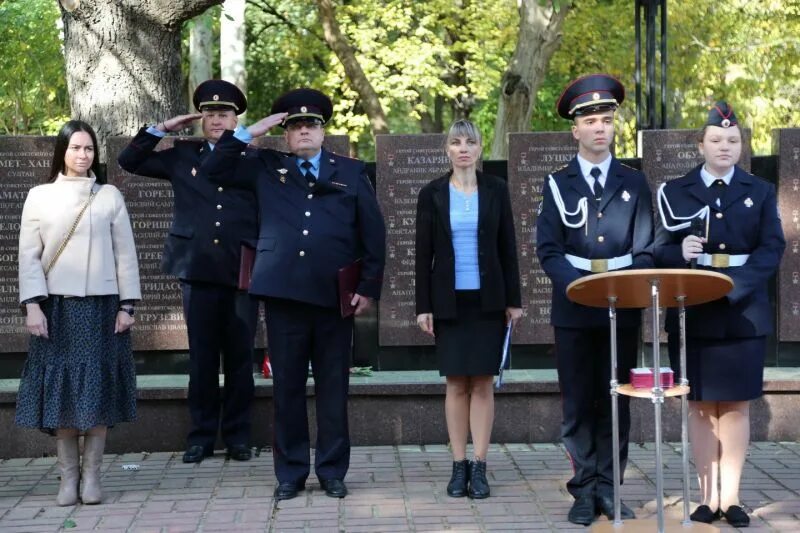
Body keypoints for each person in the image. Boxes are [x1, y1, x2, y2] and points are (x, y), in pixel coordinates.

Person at [204, 88, 386, 500]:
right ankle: (290, 472)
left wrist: (368, 287)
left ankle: (332, 470)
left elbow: (373, 235)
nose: (303, 131)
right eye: (295, 126)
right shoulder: (266, 166)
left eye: (311, 125)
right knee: (286, 388)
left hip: (333, 297)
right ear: (285, 135)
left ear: (323, 132)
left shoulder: (351, 172)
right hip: (283, 295)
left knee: (333, 388)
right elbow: (215, 168)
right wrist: (252, 130)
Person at [654, 102, 785, 527]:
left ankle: (731, 499)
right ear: (701, 144)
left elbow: (771, 249)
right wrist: (679, 251)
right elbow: (656, 248)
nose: (724, 147)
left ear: (741, 145)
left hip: (743, 309)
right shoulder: (675, 191)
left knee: (735, 407)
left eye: (732, 140)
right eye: (716, 140)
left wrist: (736, 286)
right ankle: (706, 497)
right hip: (692, 309)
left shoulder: (759, 190)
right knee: (699, 405)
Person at [117, 80, 259, 464]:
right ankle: (200, 438)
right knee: (202, 360)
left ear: (235, 119)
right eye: (210, 114)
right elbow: (129, 162)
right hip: (196, 270)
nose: (216, 120)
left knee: (241, 360)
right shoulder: (182, 156)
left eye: (224, 114)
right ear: (200, 119)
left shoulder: (253, 157)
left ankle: (238, 436)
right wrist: (163, 128)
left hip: (240, 272)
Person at [536, 74, 654, 525]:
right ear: (576, 130)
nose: (600, 128)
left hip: (620, 308)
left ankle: (610, 487)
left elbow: (644, 247)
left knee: (616, 401)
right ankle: (583, 489)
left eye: (607, 120)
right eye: (591, 121)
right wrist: (577, 286)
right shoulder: (557, 183)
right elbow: (548, 248)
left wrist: (619, 288)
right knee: (578, 403)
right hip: (573, 306)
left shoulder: (634, 182)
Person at [16, 120, 141, 506]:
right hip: (56, 307)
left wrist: (127, 305)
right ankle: (68, 478)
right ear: (62, 152)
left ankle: (92, 478)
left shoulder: (109, 197)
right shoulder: (39, 195)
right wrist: (33, 305)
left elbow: (126, 254)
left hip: (102, 307)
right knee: (64, 391)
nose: (83, 155)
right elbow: (28, 256)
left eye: (89, 149)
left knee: (97, 389)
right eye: (76, 148)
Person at [414, 119, 522, 499]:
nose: (463, 148)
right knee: (456, 383)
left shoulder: (496, 190)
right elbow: (422, 253)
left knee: (483, 382)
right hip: (449, 301)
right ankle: (458, 465)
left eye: (470, 142)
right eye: (456, 142)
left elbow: (508, 246)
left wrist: (515, 300)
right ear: (447, 149)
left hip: (488, 300)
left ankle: (480, 466)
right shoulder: (431, 194)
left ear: (479, 150)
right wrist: (423, 306)